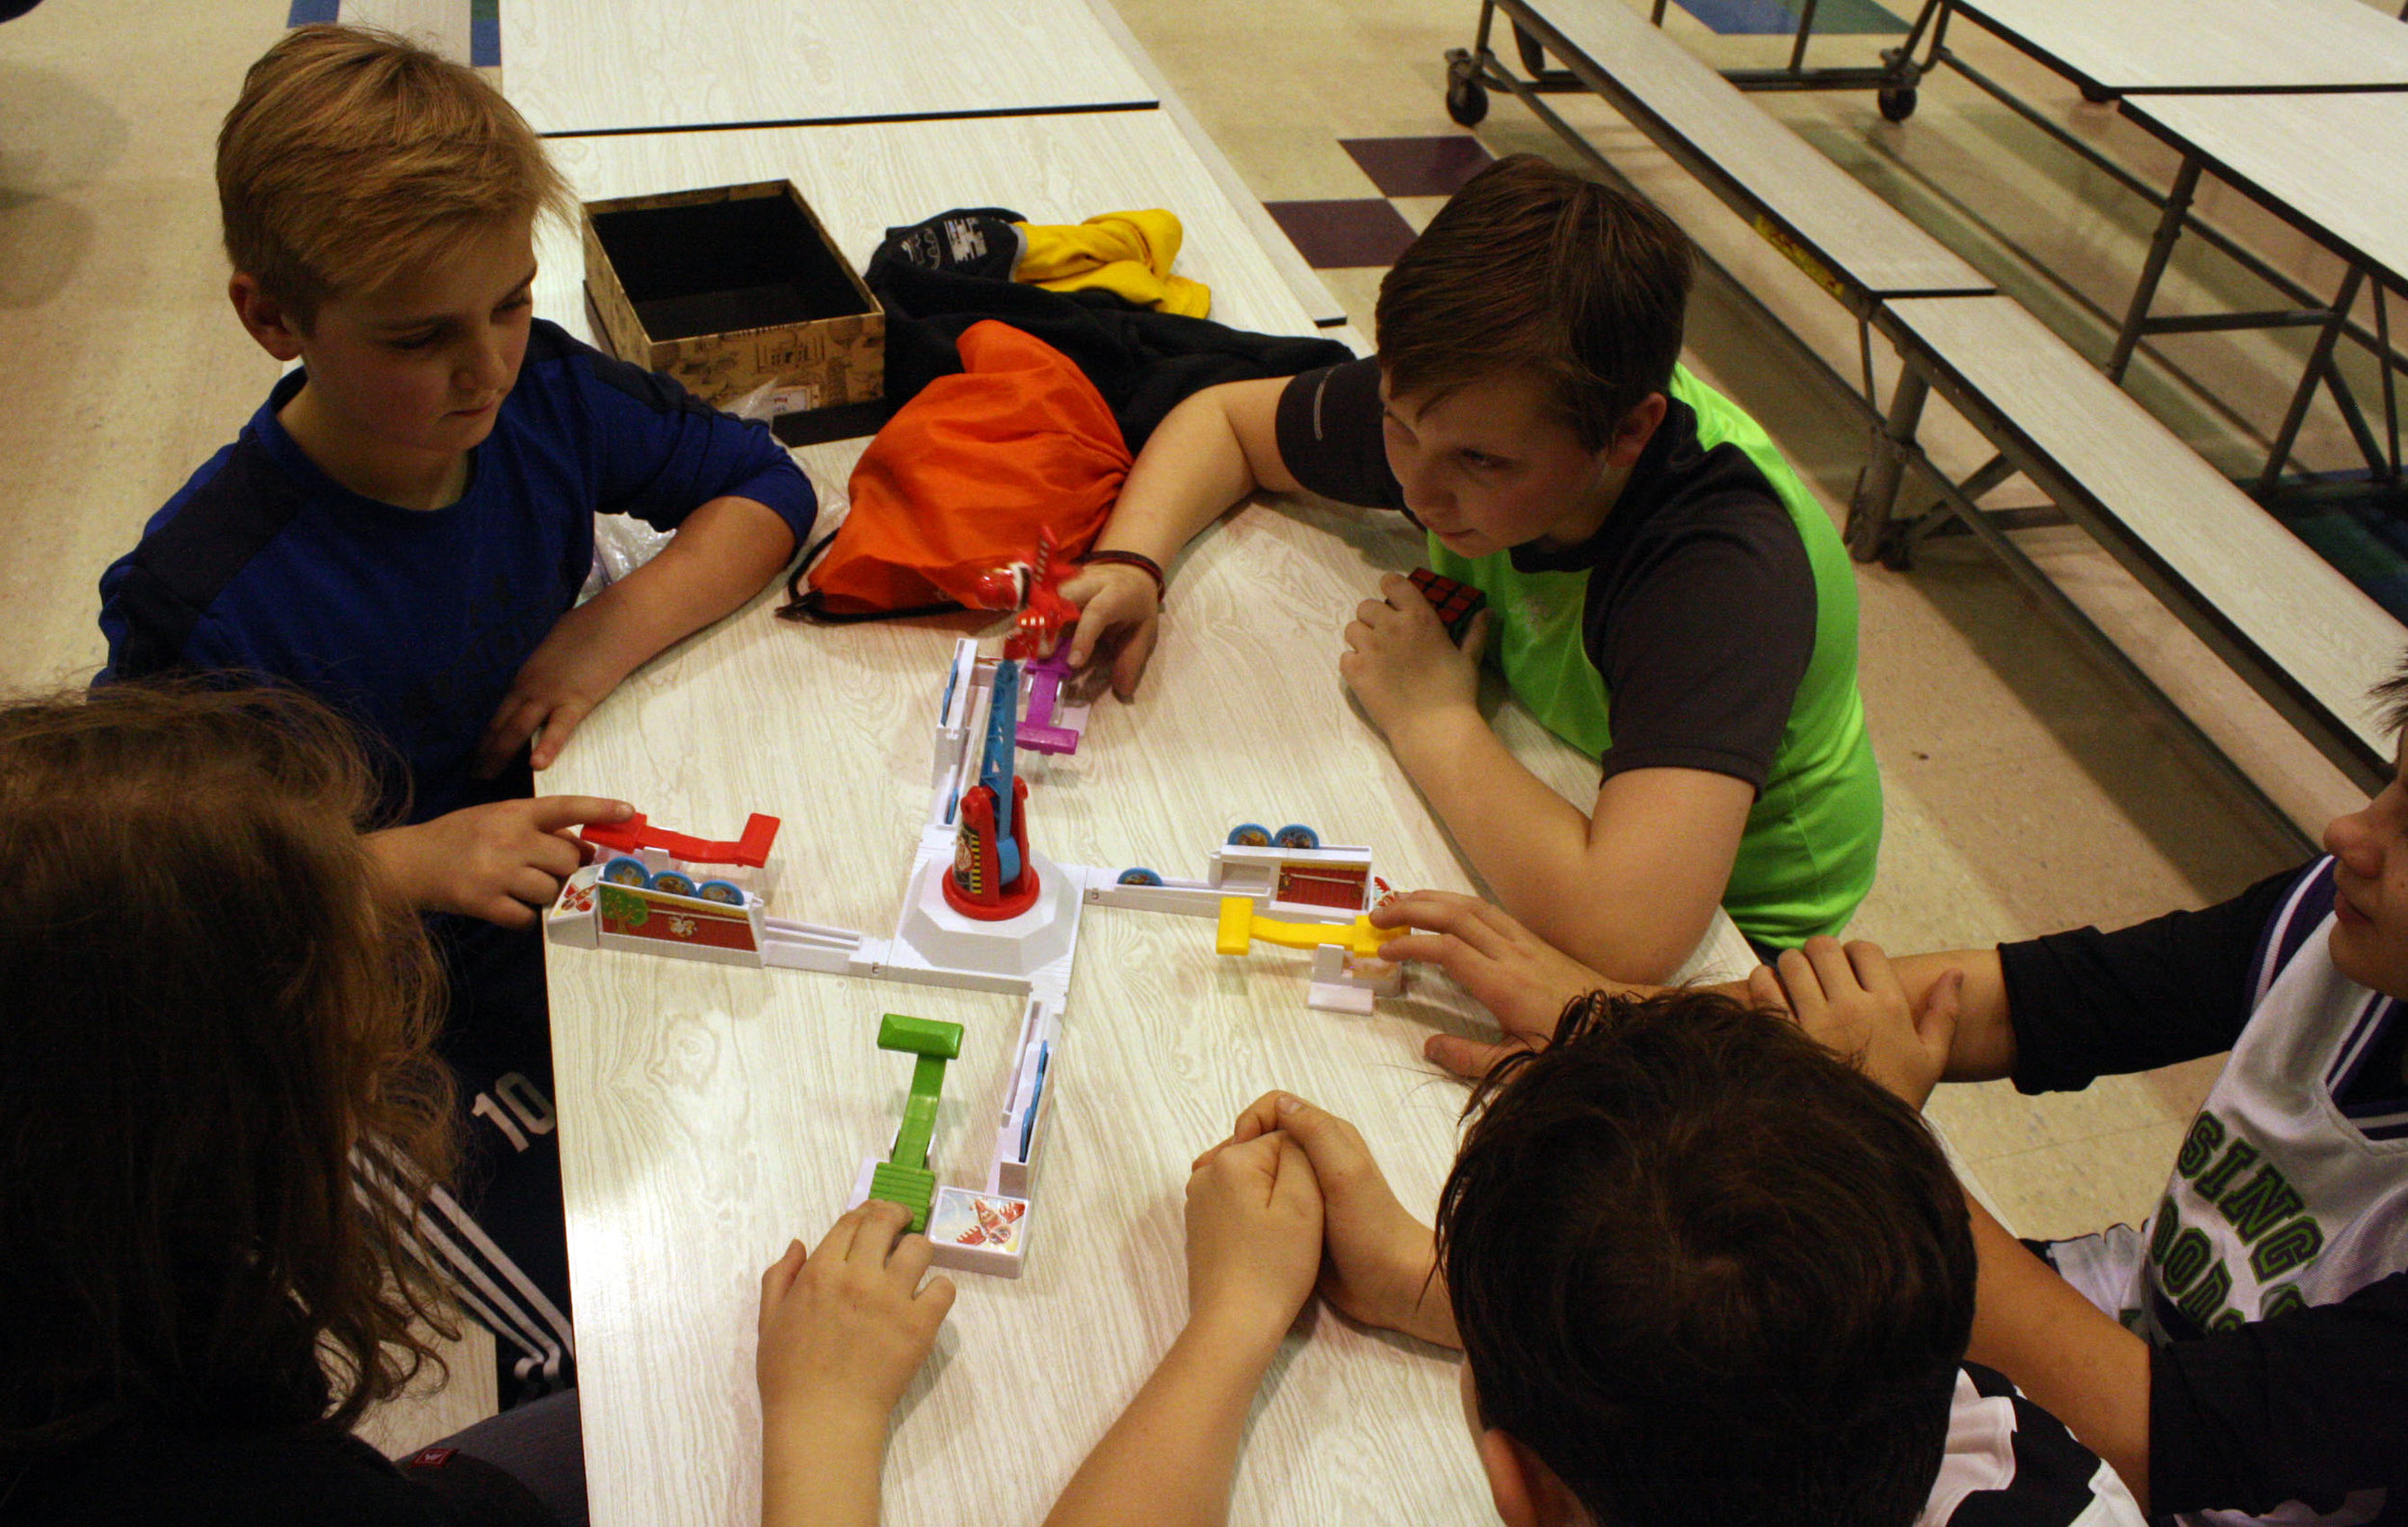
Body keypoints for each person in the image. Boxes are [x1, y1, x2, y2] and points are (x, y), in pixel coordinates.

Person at [93, 25, 817, 1394]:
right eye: (421, 337)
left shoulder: (540, 389)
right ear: (273, 319)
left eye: (509, 302)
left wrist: (601, 632)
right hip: (373, 1003)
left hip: (559, 896)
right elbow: (152, 898)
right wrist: (407, 862)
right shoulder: (209, 588)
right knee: (610, 1338)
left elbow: (764, 488)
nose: (484, 365)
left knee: (779, 1132)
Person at [1378, 659, 2408, 1525]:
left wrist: (1861, 1126)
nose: (2347, 832)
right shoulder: (2345, 920)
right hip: (2115, 1330)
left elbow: (2169, 1439)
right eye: (2389, 785)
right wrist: (1634, 1018)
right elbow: (2022, 998)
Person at [0, 684, 952, 1527]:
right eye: (345, 1037)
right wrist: (825, 1418)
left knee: (692, 1381)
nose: (383, 1045)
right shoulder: (219, 1490)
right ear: (220, 1125)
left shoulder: (76, 1270)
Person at [1057, 153, 1880, 982]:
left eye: (1481, 462)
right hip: (1578, 789)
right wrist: (1133, 561)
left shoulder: (1721, 572)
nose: (1417, 489)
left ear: (1629, 433)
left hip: (1746, 933)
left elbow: (1631, 935)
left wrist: (1429, 716)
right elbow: (1225, 422)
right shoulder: (1473, 399)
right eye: (1396, 425)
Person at [1041, 987, 2143, 1527]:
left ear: (1522, 1489)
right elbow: (1748, 1354)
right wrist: (1423, 1285)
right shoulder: (2011, 1439)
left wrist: (1231, 1317)